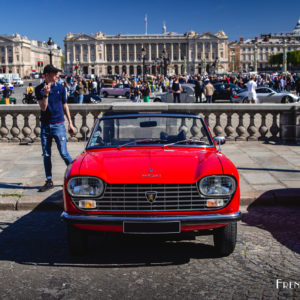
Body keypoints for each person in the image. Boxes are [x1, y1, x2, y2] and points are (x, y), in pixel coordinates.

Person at [35, 64, 75, 192]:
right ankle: (49, 180)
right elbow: (43, 107)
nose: (58, 75)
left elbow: (65, 105)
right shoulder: (39, 89)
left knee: (63, 153)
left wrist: (70, 123)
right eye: (55, 73)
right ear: (47, 75)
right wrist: (46, 94)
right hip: (45, 126)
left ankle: (76, 175)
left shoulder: (61, 88)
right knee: (46, 154)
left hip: (58, 124)